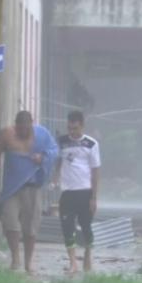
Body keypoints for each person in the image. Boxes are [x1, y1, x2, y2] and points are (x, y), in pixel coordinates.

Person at [0, 111, 58, 274]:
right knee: (10, 221)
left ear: (31, 125)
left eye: (26, 129)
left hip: (32, 186)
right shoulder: (7, 135)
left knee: (30, 227)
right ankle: (15, 258)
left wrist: (43, 157)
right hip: (12, 188)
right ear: (15, 126)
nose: (23, 132)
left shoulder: (41, 135)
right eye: (20, 129)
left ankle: (29, 262)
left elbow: (55, 150)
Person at [53, 111, 101, 274]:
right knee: (67, 227)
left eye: (75, 128)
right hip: (67, 192)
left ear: (82, 125)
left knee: (86, 227)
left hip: (85, 191)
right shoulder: (61, 142)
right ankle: (73, 262)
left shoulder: (91, 144)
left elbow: (95, 171)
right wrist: (55, 176)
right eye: (69, 128)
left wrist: (94, 197)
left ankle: (88, 253)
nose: (72, 132)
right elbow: (58, 160)